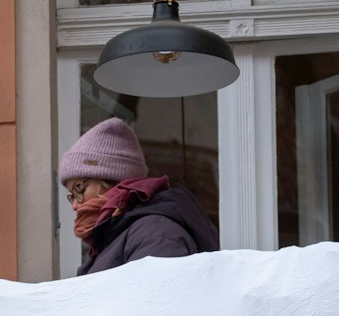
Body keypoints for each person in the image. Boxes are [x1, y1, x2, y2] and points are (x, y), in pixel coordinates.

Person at [59, 118, 219, 275]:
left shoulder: (155, 232)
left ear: (111, 180)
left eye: (79, 188)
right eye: (71, 195)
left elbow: (153, 298)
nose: (74, 205)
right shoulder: (118, 235)